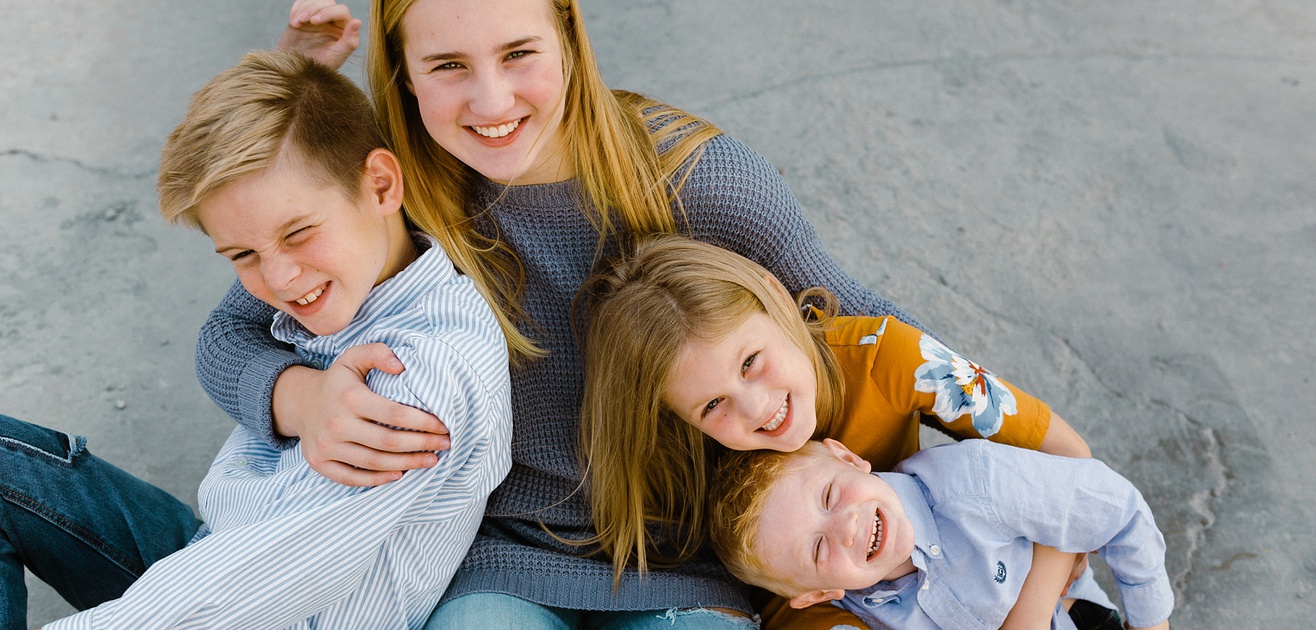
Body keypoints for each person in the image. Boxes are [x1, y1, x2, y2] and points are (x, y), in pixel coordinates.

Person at [174, 0, 1084, 627]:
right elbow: (231, 334)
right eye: (447, 66)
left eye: (519, 53)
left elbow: (864, 325)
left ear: (568, 37)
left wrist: (1037, 499)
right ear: (402, 79)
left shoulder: (697, 180)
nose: (491, 103)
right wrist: (301, 399)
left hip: (693, 567)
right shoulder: (403, 196)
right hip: (499, 555)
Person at [23, 48, 512, 629]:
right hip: (213, 554)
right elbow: (224, 333)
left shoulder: (418, 375)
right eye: (243, 255)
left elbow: (239, 596)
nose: (279, 280)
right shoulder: (361, 268)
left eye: (299, 233)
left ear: (381, 186)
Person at [579, 235, 1124, 628]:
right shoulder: (698, 457)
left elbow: (1068, 457)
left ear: (774, 296)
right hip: (830, 598)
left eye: (750, 361)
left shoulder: (889, 357)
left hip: (997, 569)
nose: (758, 407)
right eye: (713, 403)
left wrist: (1032, 609)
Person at [706, 438, 1174, 630]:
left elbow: (1120, 509)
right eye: (817, 547)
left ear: (848, 458)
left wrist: (1149, 623)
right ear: (819, 593)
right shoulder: (859, 608)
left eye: (829, 496)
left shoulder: (973, 485)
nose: (845, 527)